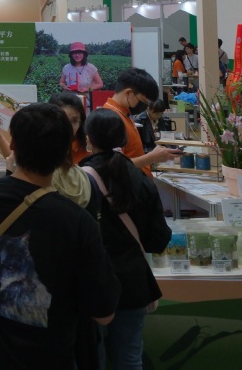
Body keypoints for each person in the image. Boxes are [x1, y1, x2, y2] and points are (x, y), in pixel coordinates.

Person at [0, 103, 119, 370]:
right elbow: (104, 314)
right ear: (66, 151)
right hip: (50, 359)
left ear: (13, 144)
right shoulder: (78, 221)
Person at [80, 109, 170, 370]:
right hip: (133, 282)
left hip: (92, 281)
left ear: (89, 138)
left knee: (92, 358)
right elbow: (158, 239)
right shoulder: (141, 178)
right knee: (130, 358)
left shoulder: (80, 180)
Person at [101, 68, 180, 177]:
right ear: (129, 93)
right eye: (143, 101)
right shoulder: (111, 119)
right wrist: (152, 157)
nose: (144, 107)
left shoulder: (124, 115)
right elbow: (115, 164)